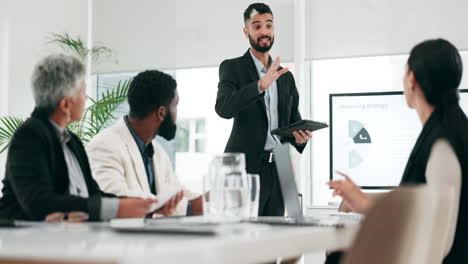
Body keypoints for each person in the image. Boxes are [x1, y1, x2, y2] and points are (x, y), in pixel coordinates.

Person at [327, 39, 468, 263]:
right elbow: (420, 197)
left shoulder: (443, 142)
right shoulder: (448, 126)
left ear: (412, 79)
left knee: (338, 256)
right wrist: (363, 201)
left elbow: (443, 239)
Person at [0, 54, 182, 221]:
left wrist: (146, 208)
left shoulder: (72, 141)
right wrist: (116, 208)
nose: (86, 98)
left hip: (65, 243)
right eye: (82, 92)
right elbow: (39, 203)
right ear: (65, 104)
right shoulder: (30, 135)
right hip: (25, 246)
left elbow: (94, 195)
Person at [215, 2, 312, 217]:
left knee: (274, 239)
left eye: (268, 25)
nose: (264, 31)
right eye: (257, 26)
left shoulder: (285, 76)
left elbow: (292, 120)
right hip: (245, 169)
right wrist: (259, 85)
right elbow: (223, 108)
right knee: (243, 240)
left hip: (280, 167)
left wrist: (300, 137)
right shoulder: (232, 68)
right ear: (246, 31)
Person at [86, 70, 202, 216]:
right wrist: (189, 207)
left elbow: (179, 193)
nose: (177, 114)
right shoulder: (104, 146)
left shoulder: (158, 153)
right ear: (161, 113)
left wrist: (216, 197)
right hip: (118, 238)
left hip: (151, 237)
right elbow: (117, 201)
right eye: (175, 105)